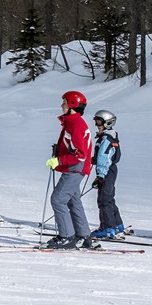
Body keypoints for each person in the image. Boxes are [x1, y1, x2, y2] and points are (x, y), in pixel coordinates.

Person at [43, 90, 99, 249]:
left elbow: (80, 154)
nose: (61, 105)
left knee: (58, 199)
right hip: (75, 168)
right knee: (73, 201)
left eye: (64, 102)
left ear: (72, 105)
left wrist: (59, 160)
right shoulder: (73, 122)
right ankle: (84, 236)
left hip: (75, 168)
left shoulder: (76, 124)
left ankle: (67, 237)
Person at [90, 109, 125, 239]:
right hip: (111, 170)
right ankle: (117, 225)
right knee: (109, 198)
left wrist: (100, 176)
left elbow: (104, 158)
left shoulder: (106, 138)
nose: (97, 124)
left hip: (106, 171)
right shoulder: (110, 136)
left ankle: (107, 228)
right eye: (96, 121)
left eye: (99, 121)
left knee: (104, 200)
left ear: (107, 122)